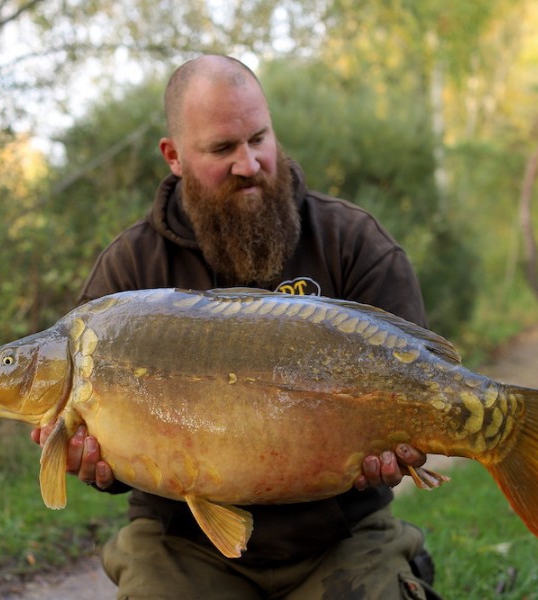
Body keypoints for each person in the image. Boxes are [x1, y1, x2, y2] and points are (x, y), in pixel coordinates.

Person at [32, 54, 441, 600]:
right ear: (173, 156)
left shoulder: (354, 244)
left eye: (259, 138)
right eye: (223, 148)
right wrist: (91, 465)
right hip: (182, 540)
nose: (248, 163)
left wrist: (398, 454)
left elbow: (424, 394)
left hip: (340, 532)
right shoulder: (128, 274)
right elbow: (111, 459)